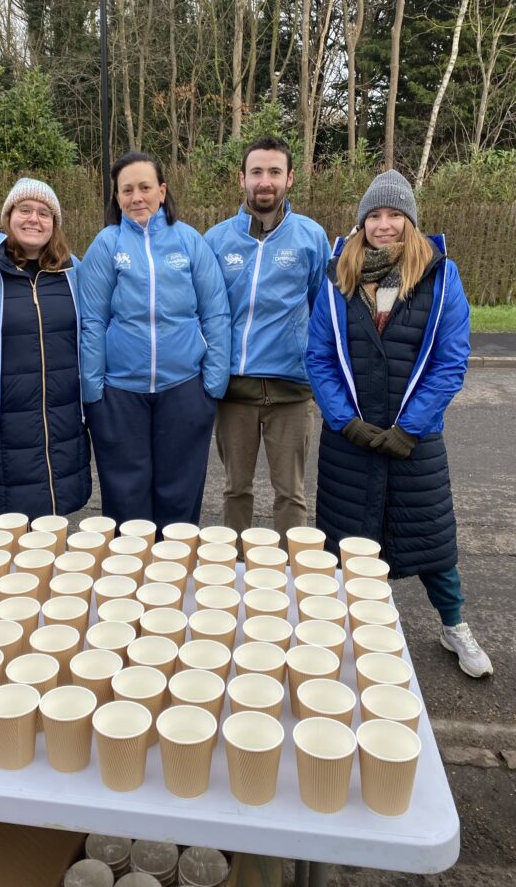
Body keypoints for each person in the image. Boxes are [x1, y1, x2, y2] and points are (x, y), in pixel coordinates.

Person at [306, 169, 492, 678]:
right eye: (374, 216)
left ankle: (453, 626)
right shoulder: (337, 276)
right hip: (352, 439)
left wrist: (411, 428)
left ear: (410, 222)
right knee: (345, 541)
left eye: (394, 215)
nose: (383, 225)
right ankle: (345, 629)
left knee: (431, 541)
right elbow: (319, 357)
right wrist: (346, 422)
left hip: (415, 439)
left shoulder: (440, 276)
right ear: (362, 221)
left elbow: (450, 361)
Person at [78, 151, 230, 530]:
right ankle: (129, 582)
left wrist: (212, 384)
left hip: (184, 390)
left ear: (162, 191)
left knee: (179, 494)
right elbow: (92, 320)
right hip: (119, 394)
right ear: (116, 197)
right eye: (126, 190)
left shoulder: (189, 242)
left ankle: (174, 579)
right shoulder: (107, 244)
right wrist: (93, 391)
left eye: (145, 187)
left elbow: (216, 314)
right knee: (125, 496)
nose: (136, 197)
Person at [204, 135, 330, 540]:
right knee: (235, 490)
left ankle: (291, 582)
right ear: (242, 178)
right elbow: (205, 313)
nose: (265, 181)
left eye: (274, 172)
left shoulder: (311, 238)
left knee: (290, 494)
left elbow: (322, 311)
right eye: (256, 171)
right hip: (233, 391)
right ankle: (232, 574)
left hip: (291, 391)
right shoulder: (216, 240)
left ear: (290, 178)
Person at [0, 178, 91, 519]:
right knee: (13, 525)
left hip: (64, 418)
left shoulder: (74, 271)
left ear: (55, 224)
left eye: (44, 213)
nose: (33, 219)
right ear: (8, 217)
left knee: (57, 519)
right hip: (6, 421)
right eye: (24, 210)